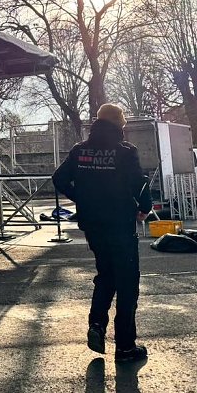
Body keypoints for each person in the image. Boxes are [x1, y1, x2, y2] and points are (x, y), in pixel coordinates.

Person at [52, 103, 151, 363]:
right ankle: (126, 347)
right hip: (120, 224)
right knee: (127, 282)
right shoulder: (125, 152)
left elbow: (59, 179)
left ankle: (96, 324)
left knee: (106, 274)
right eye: (124, 121)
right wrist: (145, 208)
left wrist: (82, 198)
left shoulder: (79, 151)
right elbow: (139, 185)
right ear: (118, 123)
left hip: (93, 225)